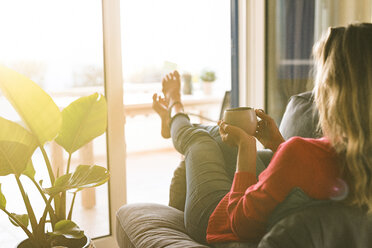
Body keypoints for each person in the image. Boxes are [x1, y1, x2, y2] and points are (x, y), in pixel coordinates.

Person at [152, 22, 372, 245]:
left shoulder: (299, 152)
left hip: (217, 222)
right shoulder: (358, 156)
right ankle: (172, 123)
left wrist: (246, 147)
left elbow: (240, 223)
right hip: (251, 207)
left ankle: (175, 107)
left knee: (199, 139)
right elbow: (312, 172)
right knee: (215, 133)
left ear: (333, 91)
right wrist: (278, 143)